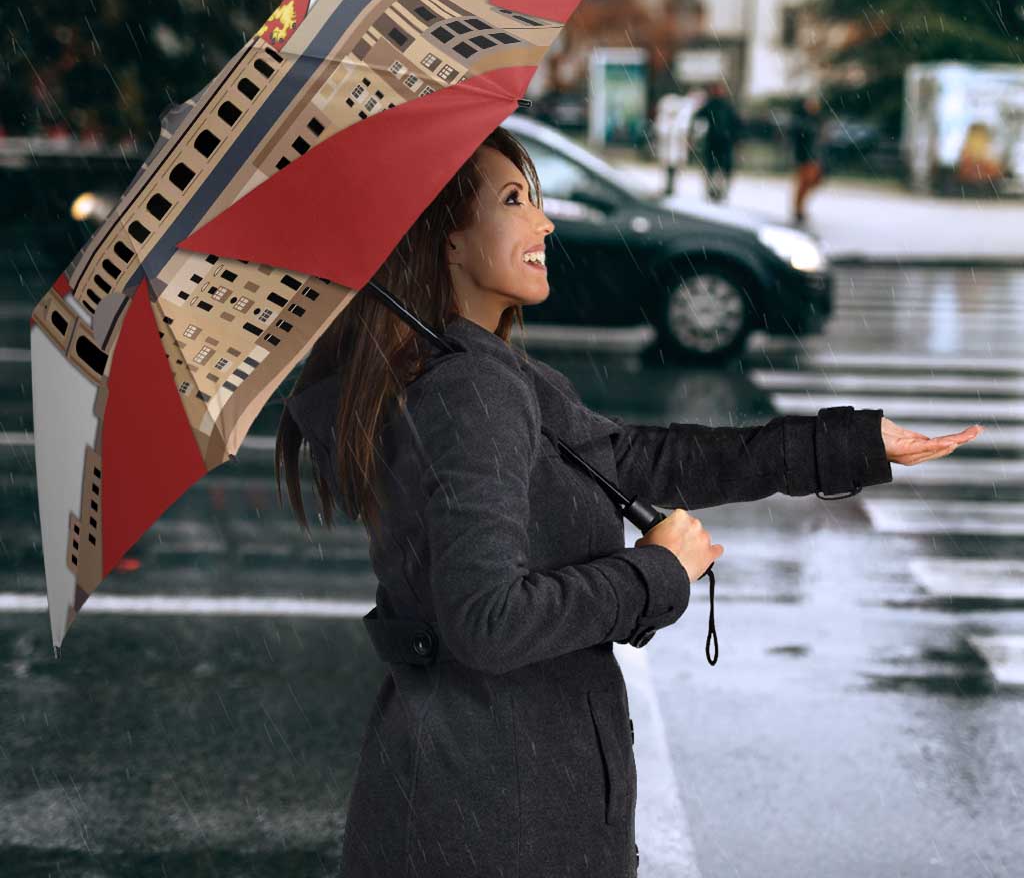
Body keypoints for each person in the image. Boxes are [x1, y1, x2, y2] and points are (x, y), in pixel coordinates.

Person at [276, 126, 982, 878]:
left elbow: (644, 460)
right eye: (514, 200)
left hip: (479, 797)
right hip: (497, 816)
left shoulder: (479, 374)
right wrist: (655, 573)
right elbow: (487, 621)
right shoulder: (470, 391)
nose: (544, 222)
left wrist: (848, 444)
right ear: (446, 242)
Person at [692, 80, 742, 203]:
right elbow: (698, 118)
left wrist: (735, 138)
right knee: (713, 168)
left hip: (723, 142)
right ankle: (713, 191)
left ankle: (719, 191)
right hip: (715, 142)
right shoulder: (712, 105)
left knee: (720, 169)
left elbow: (736, 124)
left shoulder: (725, 106)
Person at [790, 93, 826, 224]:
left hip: (814, 157)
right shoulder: (802, 121)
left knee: (812, 182)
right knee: (804, 183)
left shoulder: (817, 120)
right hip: (805, 157)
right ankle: (798, 209)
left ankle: (799, 208)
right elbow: (799, 140)